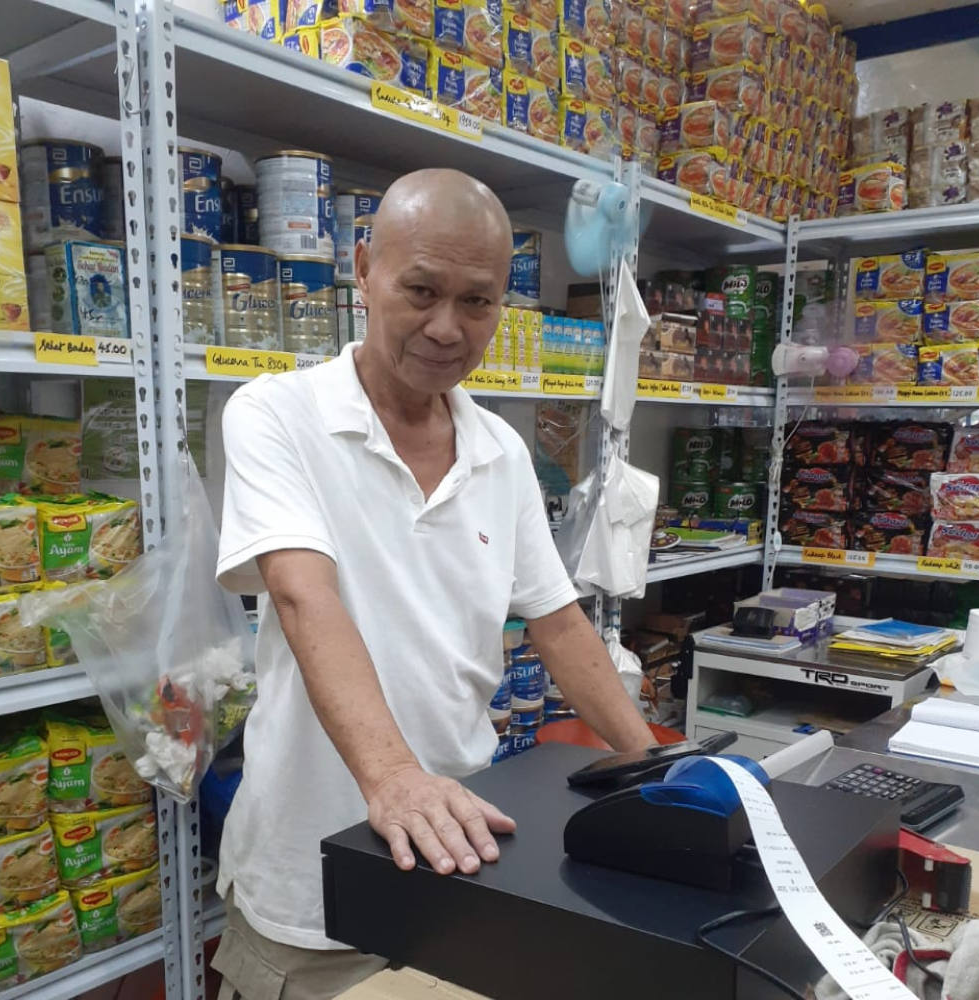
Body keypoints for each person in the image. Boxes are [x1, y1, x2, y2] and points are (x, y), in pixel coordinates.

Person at [212, 168, 657, 1000]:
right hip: (310, 883)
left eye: (478, 302)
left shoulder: (500, 452)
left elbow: (558, 623)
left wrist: (654, 765)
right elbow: (308, 597)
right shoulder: (276, 415)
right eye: (420, 290)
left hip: (462, 854)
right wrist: (394, 780)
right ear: (363, 267)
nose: (447, 328)